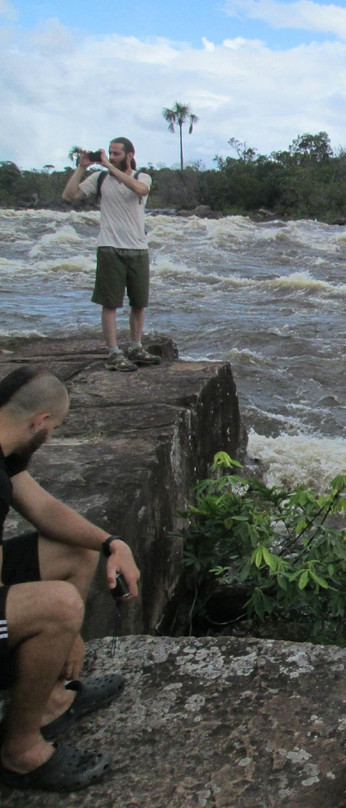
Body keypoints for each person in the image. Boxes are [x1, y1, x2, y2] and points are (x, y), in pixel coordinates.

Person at [0, 366, 141, 791]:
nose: (50, 438)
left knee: (78, 551)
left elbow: (45, 510)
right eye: (54, 428)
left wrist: (112, 543)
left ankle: (53, 702)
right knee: (59, 605)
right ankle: (20, 752)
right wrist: (64, 627)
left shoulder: (6, 451)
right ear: (39, 422)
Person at [62, 137, 160, 372]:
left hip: (137, 247)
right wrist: (82, 167)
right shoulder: (100, 178)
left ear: (129, 155)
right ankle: (113, 353)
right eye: (110, 153)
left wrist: (109, 166)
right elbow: (69, 196)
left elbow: (139, 190)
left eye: (117, 153)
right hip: (109, 247)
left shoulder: (141, 177)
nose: (112, 156)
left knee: (139, 303)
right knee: (110, 303)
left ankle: (136, 347)